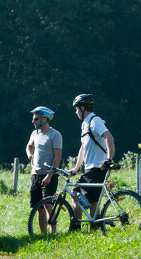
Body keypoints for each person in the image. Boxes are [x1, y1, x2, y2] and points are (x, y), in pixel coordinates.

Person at [69, 94, 115, 222]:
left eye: (77, 109)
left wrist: (109, 159)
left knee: (91, 201)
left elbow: (109, 137)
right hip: (89, 168)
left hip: (97, 167)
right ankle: (80, 226)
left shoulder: (95, 121)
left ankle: (92, 227)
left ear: (83, 108)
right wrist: (76, 168)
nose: (76, 112)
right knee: (76, 194)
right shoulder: (85, 124)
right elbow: (83, 148)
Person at [26, 106, 62, 234]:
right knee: (38, 207)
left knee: (48, 205)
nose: (33, 121)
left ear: (45, 119)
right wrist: (30, 155)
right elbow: (29, 146)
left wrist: (49, 175)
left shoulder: (55, 134)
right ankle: (43, 235)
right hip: (35, 174)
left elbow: (58, 156)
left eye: (36, 119)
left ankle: (53, 233)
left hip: (48, 175)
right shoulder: (34, 133)